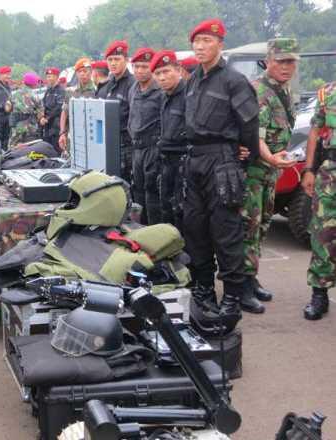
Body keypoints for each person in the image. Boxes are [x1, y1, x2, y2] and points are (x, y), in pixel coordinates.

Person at [184, 19, 260, 327]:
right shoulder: (192, 80)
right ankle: (204, 291)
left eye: (207, 40)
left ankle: (231, 298)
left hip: (222, 161)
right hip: (195, 160)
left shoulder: (234, 80)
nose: (200, 46)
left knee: (226, 233)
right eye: (196, 41)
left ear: (220, 44)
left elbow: (250, 125)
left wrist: (244, 154)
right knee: (195, 230)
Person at [240, 38, 300, 314]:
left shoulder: (284, 90)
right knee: (248, 226)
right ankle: (240, 285)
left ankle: (251, 278)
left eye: (292, 62)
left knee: (263, 225)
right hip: (254, 170)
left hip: (270, 171)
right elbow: (256, 135)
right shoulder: (258, 90)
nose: (287, 67)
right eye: (282, 61)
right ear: (269, 60)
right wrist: (270, 157)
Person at [301, 80, 336, 320]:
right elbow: (315, 131)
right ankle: (319, 293)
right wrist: (309, 169)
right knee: (323, 232)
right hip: (331, 170)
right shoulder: (328, 93)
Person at [151, 50, 188, 232]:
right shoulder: (164, 96)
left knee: (182, 211)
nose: (162, 77)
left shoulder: (189, 95)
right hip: (166, 161)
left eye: (166, 72)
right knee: (166, 207)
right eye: (158, 74)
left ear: (178, 70)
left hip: (184, 162)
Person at [128, 47, 162, 225]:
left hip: (153, 148)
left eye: (144, 66)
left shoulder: (160, 91)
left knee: (152, 192)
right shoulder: (133, 89)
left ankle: (153, 229)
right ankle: (139, 228)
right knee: (138, 190)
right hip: (137, 149)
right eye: (136, 66)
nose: (140, 71)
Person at [96, 40, 136, 182]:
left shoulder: (133, 84)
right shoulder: (109, 84)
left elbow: (134, 117)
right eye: (110, 59)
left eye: (117, 59)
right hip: (109, 143)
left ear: (126, 60)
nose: (113, 63)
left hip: (126, 146)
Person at [59, 57, 95, 152]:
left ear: (91, 72)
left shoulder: (97, 90)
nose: (82, 74)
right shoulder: (70, 91)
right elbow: (64, 112)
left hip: (91, 136)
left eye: (85, 71)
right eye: (79, 71)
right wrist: (62, 133)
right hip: (73, 135)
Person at [8, 72, 44, 146]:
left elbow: (8, 108)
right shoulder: (35, 96)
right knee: (31, 148)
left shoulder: (14, 94)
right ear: (34, 83)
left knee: (13, 147)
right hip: (31, 128)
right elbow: (41, 114)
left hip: (17, 127)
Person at [40, 67, 64, 149]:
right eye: (47, 76)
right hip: (47, 127)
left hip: (56, 125)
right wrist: (42, 117)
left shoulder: (61, 90)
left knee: (56, 149)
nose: (48, 78)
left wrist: (47, 118)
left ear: (56, 77)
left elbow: (59, 107)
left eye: (50, 76)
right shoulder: (48, 90)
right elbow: (43, 104)